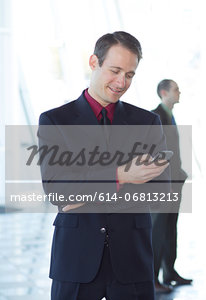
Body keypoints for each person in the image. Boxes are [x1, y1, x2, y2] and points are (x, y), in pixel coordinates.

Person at [39, 31, 170, 300]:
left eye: (130, 74)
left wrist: (84, 187)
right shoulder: (55, 121)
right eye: (115, 70)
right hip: (76, 259)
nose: (121, 82)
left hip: (132, 259)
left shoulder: (146, 123)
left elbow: (159, 193)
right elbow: (58, 192)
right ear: (93, 62)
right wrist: (123, 175)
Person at [151, 79, 191, 293]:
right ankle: (153, 278)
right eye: (176, 89)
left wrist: (179, 172)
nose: (179, 92)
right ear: (164, 92)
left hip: (174, 183)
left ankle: (169, 271)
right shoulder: (155, 116)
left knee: (170, 229)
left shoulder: (170, 115)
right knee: (157, 232)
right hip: (160, 187)